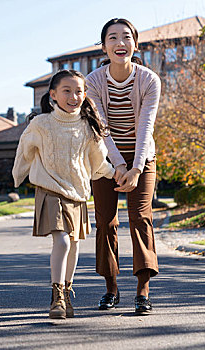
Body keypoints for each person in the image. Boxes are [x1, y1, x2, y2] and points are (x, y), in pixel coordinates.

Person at [12, 70, 115, 319]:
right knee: (62, 241)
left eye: (79, 91)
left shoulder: (88, 127)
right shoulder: (41, 124)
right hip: (50, 190)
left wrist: (116, 174)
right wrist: (18, 176)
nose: (73, 96)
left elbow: (99, 162)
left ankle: (67, 290)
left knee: (75, 245)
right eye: (67, 91)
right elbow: (24, 151)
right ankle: (56, 295)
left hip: (78, 193)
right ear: (53, 95)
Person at [86, 18, 161, 315]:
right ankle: (111, 288)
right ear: (104, 46)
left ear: (135, 43)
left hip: (142, 158)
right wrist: (117, 165)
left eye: (126, 37)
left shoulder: (149, 80)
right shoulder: (92, 81)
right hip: (105, 158)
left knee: (140, 217)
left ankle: (143, 290)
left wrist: (136, 168)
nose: (120, 43)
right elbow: (100, 128)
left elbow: (146, 127)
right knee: (106, 221)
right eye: (113, 38)